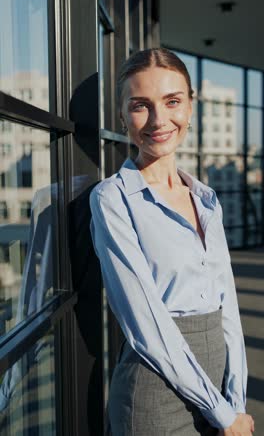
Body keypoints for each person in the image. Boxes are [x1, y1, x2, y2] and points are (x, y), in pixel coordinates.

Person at [89, 48, 254, 435]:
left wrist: (236, 398)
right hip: (156, 396)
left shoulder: (206, 198)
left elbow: (226, 304)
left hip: (219, 391)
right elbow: (146, 324)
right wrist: (223, 413)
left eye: (173, 101)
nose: (159, 120)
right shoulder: (112, 199)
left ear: (191, 106)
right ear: (122, 115)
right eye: (141, 105)